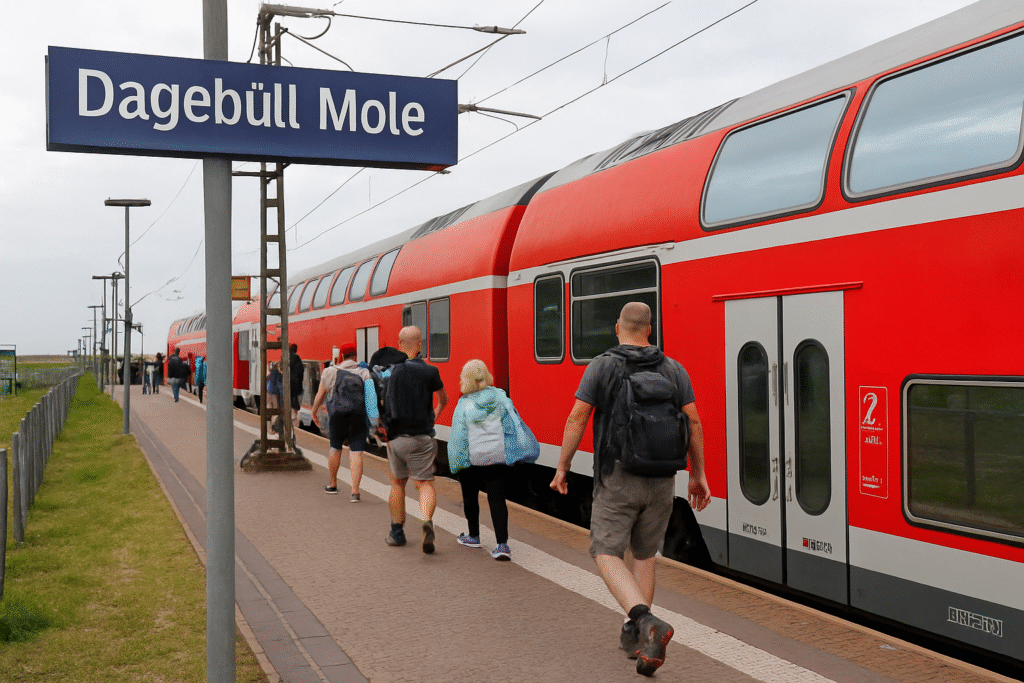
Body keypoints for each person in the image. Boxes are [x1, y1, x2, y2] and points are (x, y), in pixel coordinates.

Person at [550, 302, 710, 677]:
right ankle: (638, 638)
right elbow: (694, 422)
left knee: (604, 551)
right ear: (650, 330)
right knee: (644, 555)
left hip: (618, 476)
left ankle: (644, 620)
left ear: (617, 328)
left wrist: (563, 466)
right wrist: (698, 474)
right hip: (662, 480)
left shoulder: (602, 365)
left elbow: (577, 417)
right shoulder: (674, 369)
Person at [447, 360, 528, 561]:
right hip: (496, 458)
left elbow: (458, 436)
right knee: (497, 500)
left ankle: (473, 536)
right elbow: (512, 426)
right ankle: (502, 545)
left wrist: (456, 462)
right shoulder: (501, 398)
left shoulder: (464, 403)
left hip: (472, 461)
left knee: (470, 497)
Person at [382, 326, 448, 554]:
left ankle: (397, 533)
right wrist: (434, 416)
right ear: (420, 344)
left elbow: (384, 403)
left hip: (397, 438)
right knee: (424, 484)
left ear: (399, 344)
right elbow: (444, 399)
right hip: (422, 437)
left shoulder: (391, 371)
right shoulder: (431, 371)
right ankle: (426, 520)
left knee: (397, 484)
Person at [310, 343, 378, 503]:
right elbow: (371, 398)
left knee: (335, 448)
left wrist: (314, 410)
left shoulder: (330, 371)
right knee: (356, 453)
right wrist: (375, 420)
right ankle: (355, 492)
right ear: (355, 356)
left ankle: (333, 484)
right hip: (358, 416)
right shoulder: (363, 372)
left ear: (341, 356)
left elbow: (321, 394)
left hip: (337, 416)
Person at [288, 343, 304, 432]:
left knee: (289, 402)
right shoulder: (298, 360)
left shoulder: (286, 358)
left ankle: (290, 420)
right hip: (297, 385)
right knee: (295, 402)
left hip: (288, 385)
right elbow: (301, 372)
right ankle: (295, 421)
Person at [266, 361, 284, 435]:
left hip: (268, 394)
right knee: (276, 413)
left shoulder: (270, 374)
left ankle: (269, 429)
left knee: (269, 412)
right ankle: (274, 426)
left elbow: (266, 382)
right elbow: (280, 387)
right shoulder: (279, 375)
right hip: (275, 395)